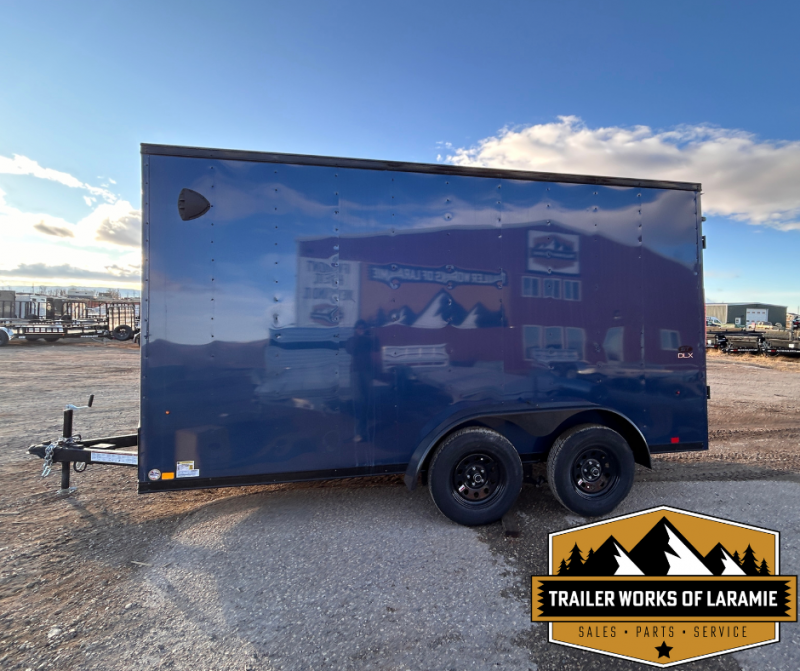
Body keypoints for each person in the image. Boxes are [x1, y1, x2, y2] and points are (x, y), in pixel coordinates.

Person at [345, 320, 378, 442]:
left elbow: (376, 347)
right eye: (359, 328)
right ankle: (358, 432)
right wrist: (359, 336)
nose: (361, 330)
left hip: (367, 372)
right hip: (356, 372)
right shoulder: (351, 340)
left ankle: (362, 431)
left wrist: (371, 335)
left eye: (363, 328)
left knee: (367, 401)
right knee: (358, 400)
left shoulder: (369, 340)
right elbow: (351, 349)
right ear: (355, 329)